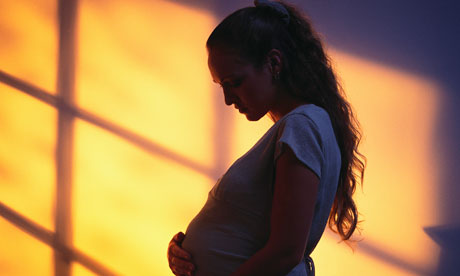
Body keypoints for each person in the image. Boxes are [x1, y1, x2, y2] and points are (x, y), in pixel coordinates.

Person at [167, 0, 365, 275]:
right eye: (221, 86)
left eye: (234, 82)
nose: (227, 99)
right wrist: (185, 250)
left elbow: (285, 252)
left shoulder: (302, 126)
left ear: (273, 63)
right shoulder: (302, 125)